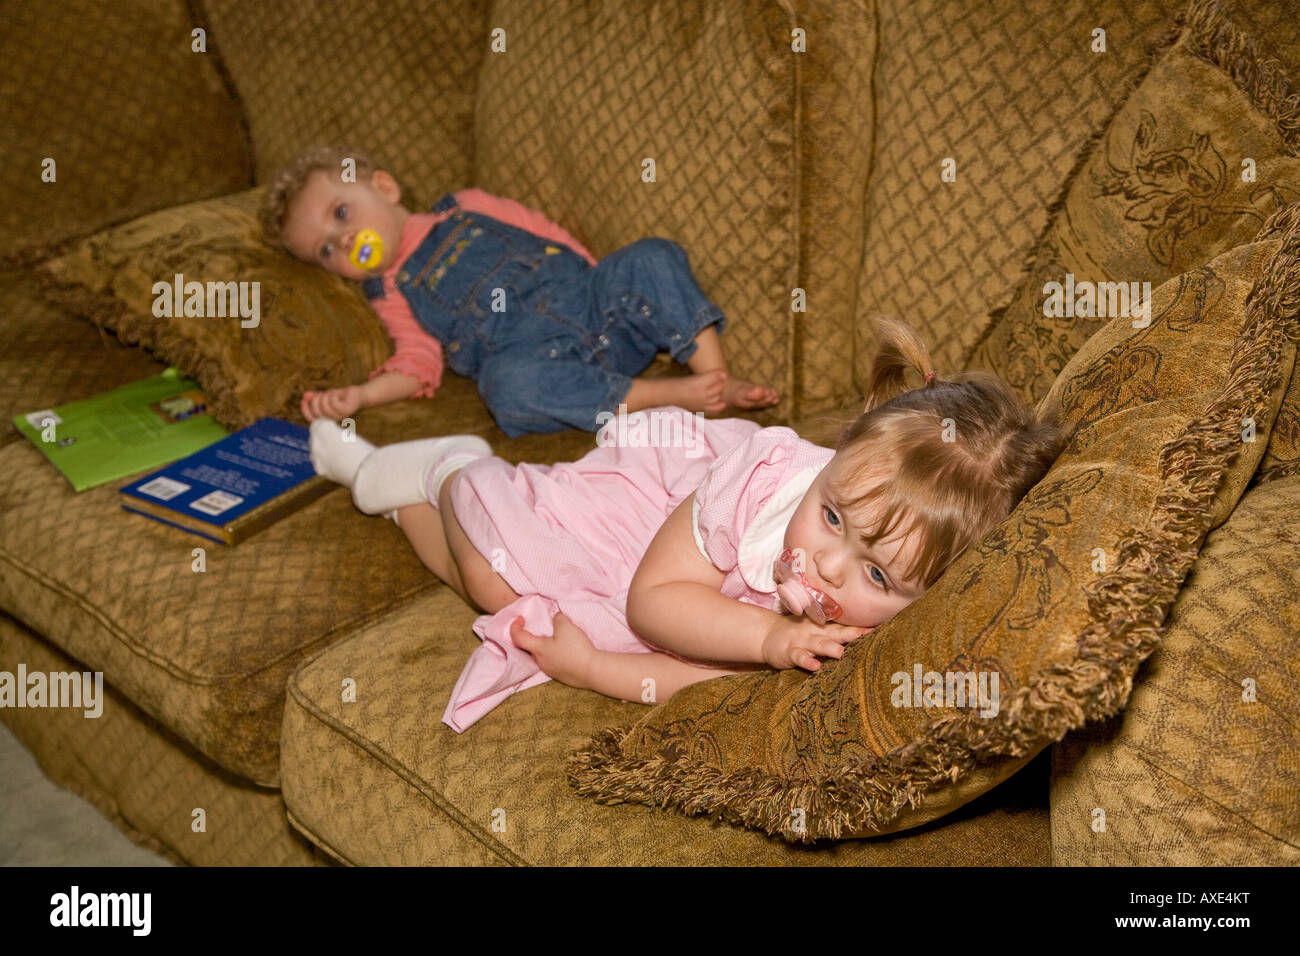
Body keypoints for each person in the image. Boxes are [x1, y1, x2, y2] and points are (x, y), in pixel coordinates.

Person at [308, 316, 1063, 732]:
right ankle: (450, 470)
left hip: (695, 602)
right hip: (651, 528)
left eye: (876, 574)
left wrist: (587, 668)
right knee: (491, 573)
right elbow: (654, 604)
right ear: (842, 447)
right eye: (831, 516)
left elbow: (696, 683)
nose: (827, 566)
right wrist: (768, 637)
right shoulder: (764, 484)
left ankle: (393, 485)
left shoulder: (864, 639)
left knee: (520, 615)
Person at [259, 145, 779, 437]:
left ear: (384, 188)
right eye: (327, 250)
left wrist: (603, 280)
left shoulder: (464, 205)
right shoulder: (390, 290)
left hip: (592, 305)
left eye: (341, 214)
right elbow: (416, 362)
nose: (343, 240)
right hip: (538, 359)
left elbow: (541, 231)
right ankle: (662, 396)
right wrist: (362, 395)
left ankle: (714, 376)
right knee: (503, 389)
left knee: (651, 255)